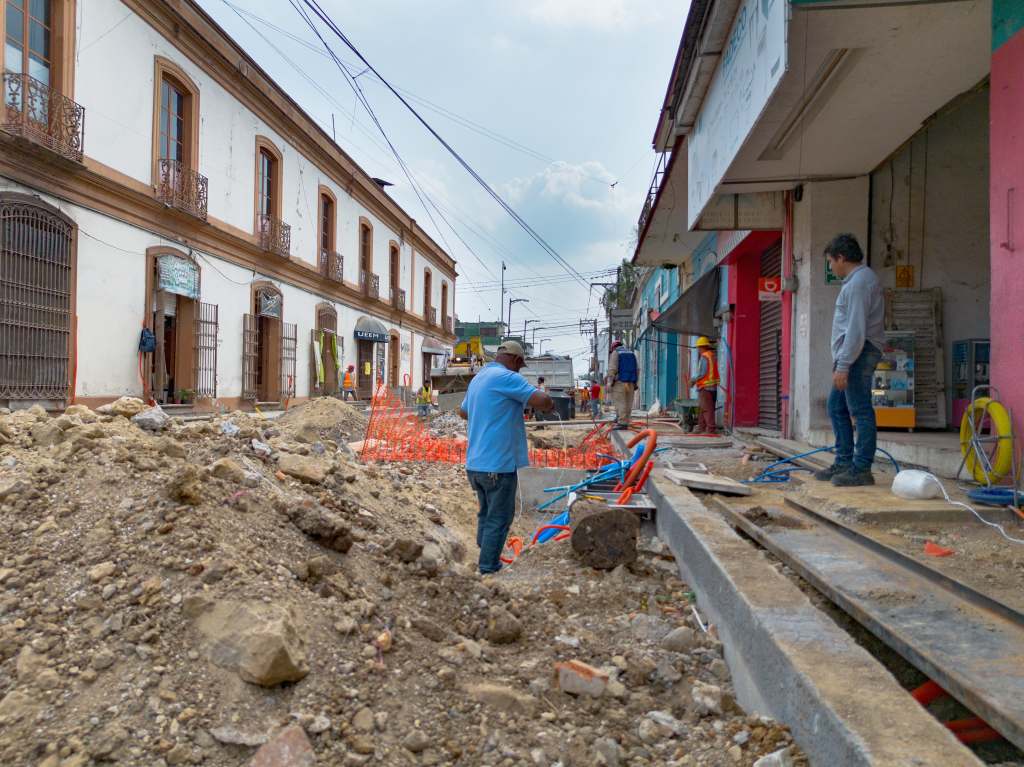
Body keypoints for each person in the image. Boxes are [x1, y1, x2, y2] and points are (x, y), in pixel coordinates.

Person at [460, 341, 554, 574]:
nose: (519, 371)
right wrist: (549, 401)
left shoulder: (479, 378)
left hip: (476, 464)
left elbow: (463, 411)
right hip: (498, 465)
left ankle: (486, 551)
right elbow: (543, 402)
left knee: (486, 512)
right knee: (499, 517)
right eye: (520, 366)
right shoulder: (507, 378)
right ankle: (488, 567)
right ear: (515, 360)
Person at [816, 233, 885, 487]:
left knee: (860, 409)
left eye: (831, 262)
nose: (831, 267)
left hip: (859, 352)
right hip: (854, 352)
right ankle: (844, 461)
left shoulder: (859, 284)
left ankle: (861, 468)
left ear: (841, 258)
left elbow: (856, 329)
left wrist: (843, 365)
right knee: (836, 406)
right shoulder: (858, 281)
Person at [689, 337, 720, 434]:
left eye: (698, 347)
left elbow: (701, 373)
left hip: (705, 387)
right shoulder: (712, 355)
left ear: (702, 347)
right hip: (712, 387)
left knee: (707, 409)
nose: (698, 349)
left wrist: (693, 380)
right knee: (703, 408)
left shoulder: (704, 357)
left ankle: (710, 429)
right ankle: (701, 427)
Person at [607, 340, 637, 429]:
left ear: (613, 347)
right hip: (631, 382)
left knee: (620, 403)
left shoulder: (616, 353)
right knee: (628, 403)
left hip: (620, 382)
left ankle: (622, 423)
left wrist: (609, 382)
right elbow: (637, 369)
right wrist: (635, 383)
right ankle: (625, 420)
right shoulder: (632, 354)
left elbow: (612, 369)